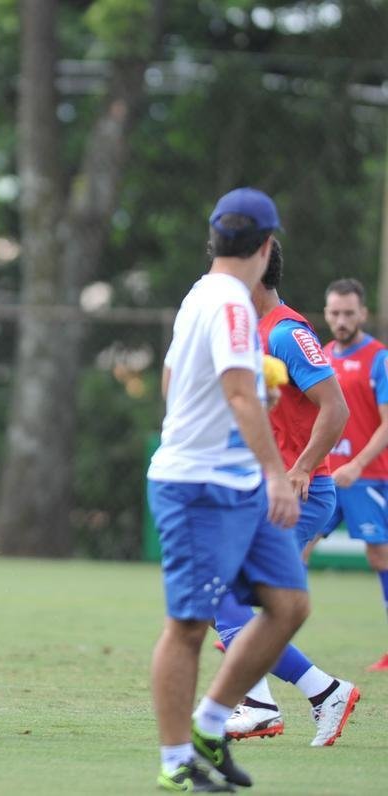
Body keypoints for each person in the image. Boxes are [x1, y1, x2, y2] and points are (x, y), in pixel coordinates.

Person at [147, 188, 310, 792]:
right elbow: (241, 395)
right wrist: (276, 474)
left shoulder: (201, 293)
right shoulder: (234, 306)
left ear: (215, 239)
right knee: (188, 625)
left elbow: (172, 381)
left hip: (234, 479)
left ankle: (210, 725)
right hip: (198, 485)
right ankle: (175, 761)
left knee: (288, 604)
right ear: (267, 247)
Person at [214, 240, 358, 746]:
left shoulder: (287, 333)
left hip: (302, 493)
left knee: (221, 592)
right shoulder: (249, 332)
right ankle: (324, 693)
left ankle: (263, 704)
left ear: (254, 271)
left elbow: (336, 408)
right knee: (228, 599)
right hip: (266, 491)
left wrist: (302, 467)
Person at [321, 277, 388, 672]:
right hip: (326, 477)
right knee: (294, 543)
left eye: (349, 313)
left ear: (363, 313)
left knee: (379, 554)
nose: (342, 320)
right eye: (335, 313)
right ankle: (258, 638)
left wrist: (358, 464)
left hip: (368, 477)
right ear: (326, 314)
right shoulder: (321, 356)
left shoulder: (380, 359)